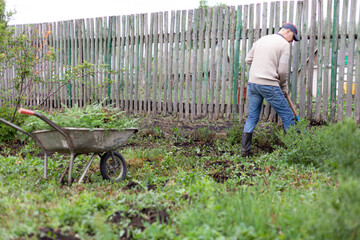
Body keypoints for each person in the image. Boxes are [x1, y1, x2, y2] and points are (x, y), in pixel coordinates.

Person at [241, 23, 300, 157]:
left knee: (252, 116)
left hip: (253, 83)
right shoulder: (284, 44)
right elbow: (283, 70)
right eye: (293, 37)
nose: (292, 41)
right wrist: (284, 87)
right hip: (269, 84)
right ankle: (294, 149)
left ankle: (245, 151)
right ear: (287, 31)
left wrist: (261, 64)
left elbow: (248, 59)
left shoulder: (262, 40)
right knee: (287, 115)